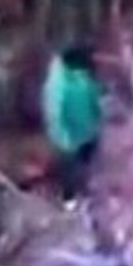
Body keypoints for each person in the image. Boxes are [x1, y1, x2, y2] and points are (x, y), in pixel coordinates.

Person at [41, 45, 103, 201]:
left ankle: (84, 186)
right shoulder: (57, 85)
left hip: (88, 130)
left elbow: (93, 95)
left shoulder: (83, 77)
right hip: (69, 138)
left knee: (86, 161)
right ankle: (69, 197)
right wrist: (64, 140)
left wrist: (98, 118)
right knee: (69, 168)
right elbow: (54, 115)